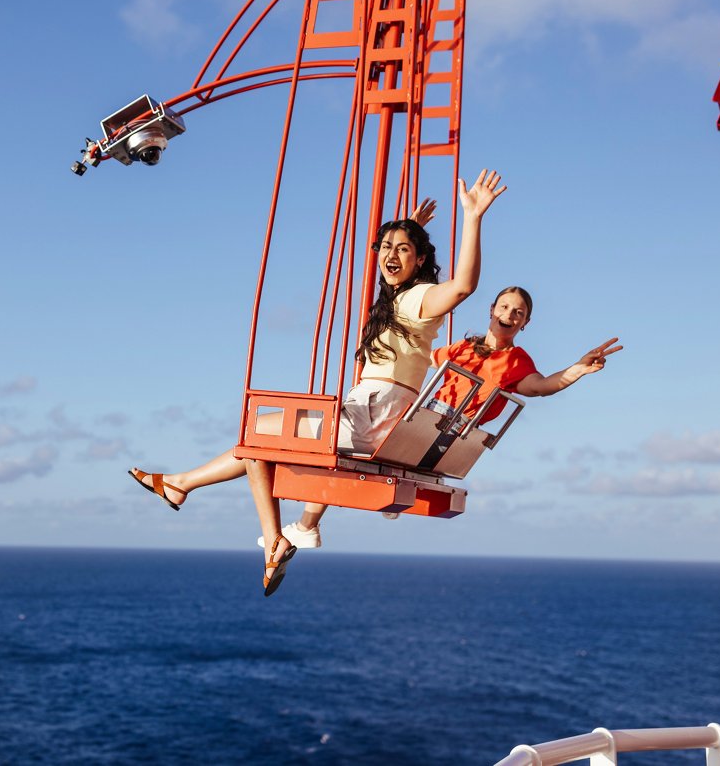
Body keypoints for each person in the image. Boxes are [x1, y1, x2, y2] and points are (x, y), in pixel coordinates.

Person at [129, 169, 507, 595]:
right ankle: (185, 486)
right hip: (375, 412)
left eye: (403, 250)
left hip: (373, 415)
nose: (391, 255)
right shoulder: (397, 298)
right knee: (254, 443)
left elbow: (462, 287)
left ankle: (260, 531)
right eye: (385, 247)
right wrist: (411, 228)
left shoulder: (417, 298)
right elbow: (404, 263)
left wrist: (472, 217)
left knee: (257, 437)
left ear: (420, 261)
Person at [269, 286, 622, 549]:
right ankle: (309, 524)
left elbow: (541, 386)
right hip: (426, 423)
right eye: (505, 306)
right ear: (492, 309)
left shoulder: (517, 361)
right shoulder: (462, 348)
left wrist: (576, 370)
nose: (510, 314)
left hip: (441, 431)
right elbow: (419, 356)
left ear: (525, 322)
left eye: (518, 312)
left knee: (342, 443)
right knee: (352, 447)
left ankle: (309, 524)